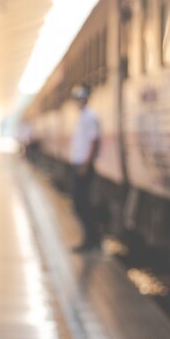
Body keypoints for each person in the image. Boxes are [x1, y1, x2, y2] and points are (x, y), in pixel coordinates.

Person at [69, 84, 101, 252]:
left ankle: (92, 240)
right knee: (79, 203)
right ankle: (91, 239)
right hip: (78, 165)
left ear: (87, 98)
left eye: (81, 98)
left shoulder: (90, 117)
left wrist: (86, 165)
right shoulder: (83, 117)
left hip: (83, 166)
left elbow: (94, 142)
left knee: (82, 203)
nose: (79, 101)